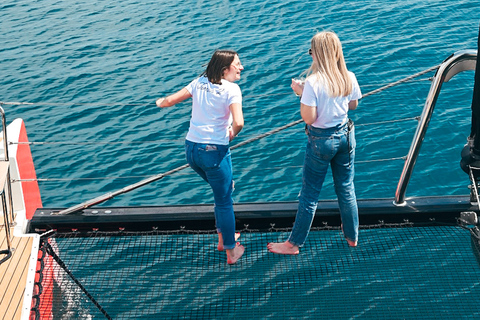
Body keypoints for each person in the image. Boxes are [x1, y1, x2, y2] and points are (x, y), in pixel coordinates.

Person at [267, 31, 362, 255]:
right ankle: (352, 236)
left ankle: (293, 244)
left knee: (310, 194)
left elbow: (309, 118)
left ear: (317, 54)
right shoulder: (348, 75)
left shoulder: (312, 82)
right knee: (346, 188)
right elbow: (353, 105)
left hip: (321, 141)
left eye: (311, 52)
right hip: (346, 136)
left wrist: (301, 93)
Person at [156, 50, 245, 264]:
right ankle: (231, 250)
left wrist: (158, 102)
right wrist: (231, 134)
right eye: (237, 64)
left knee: (223, 190)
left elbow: (169, 101)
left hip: (192, 150)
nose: (241, 67)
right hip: (214, 152)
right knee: (224, 199)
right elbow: (239, 122)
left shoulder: (199, 82)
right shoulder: (232, 89)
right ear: (225, 70)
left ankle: (224, 236)